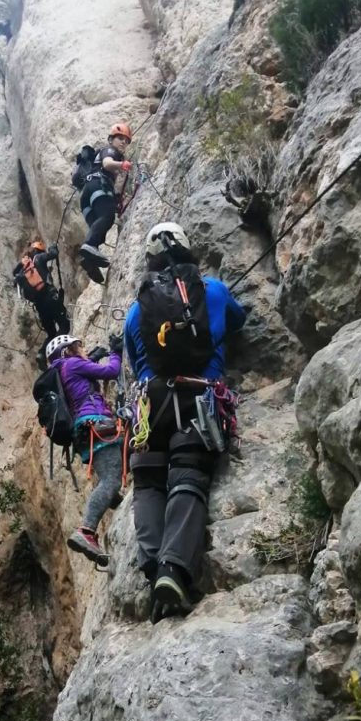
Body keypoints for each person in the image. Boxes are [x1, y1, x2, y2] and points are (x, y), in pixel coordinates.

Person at [123, 222, 247, 624]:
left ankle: (151, 563)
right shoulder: (212, 290)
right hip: (199, 394)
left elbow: (133, 357)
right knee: (188, 475)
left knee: (148, 480)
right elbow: (238, 320)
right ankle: (173, 570)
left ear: (151, 261)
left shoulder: (136, 310)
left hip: (149, 403)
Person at [46, 332, 126, 566]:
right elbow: (111, 371)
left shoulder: (62, 370)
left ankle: (112, 498)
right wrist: (116, 352)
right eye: (78, 345)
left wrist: (91, 358)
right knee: (111, 479)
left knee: (111, 476)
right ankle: (87, 531)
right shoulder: (73, 363)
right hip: (95, 423)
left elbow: (81, 378)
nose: (82, 348)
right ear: (67, 351)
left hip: (81, 432)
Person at [78, 123, 133, 284]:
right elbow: (107, 164)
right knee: (107, 216)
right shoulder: (110, 151)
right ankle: (89, 246)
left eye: (126, 140)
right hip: (97, 185)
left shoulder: (104, 153)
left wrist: (116, 198)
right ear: (111, 140)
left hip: (86, 197)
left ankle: (89, 262)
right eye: (120, 138)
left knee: (99, 231)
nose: (123, 142)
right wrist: (122, 164)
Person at [13, 240, 71, 356]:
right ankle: (57, 351)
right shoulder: (39, 258)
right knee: (64, 325)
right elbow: (53, 254)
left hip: (39, 306)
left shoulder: (22, 271)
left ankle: (41, 354)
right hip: (50, 297)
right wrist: (53, 247)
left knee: (51, 333)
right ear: (38, 250)